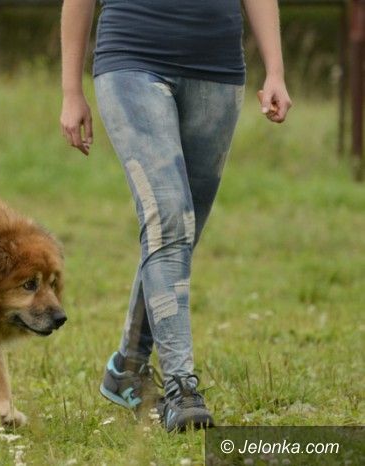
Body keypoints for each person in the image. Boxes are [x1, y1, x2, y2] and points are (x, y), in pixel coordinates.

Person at [60, 0, 292, 432]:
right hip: (131, 58)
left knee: (180, 232)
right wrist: (71, 90)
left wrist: (275, 69)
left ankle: (127, 367)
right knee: (168, 218)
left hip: (217, 70)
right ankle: (181, 389)